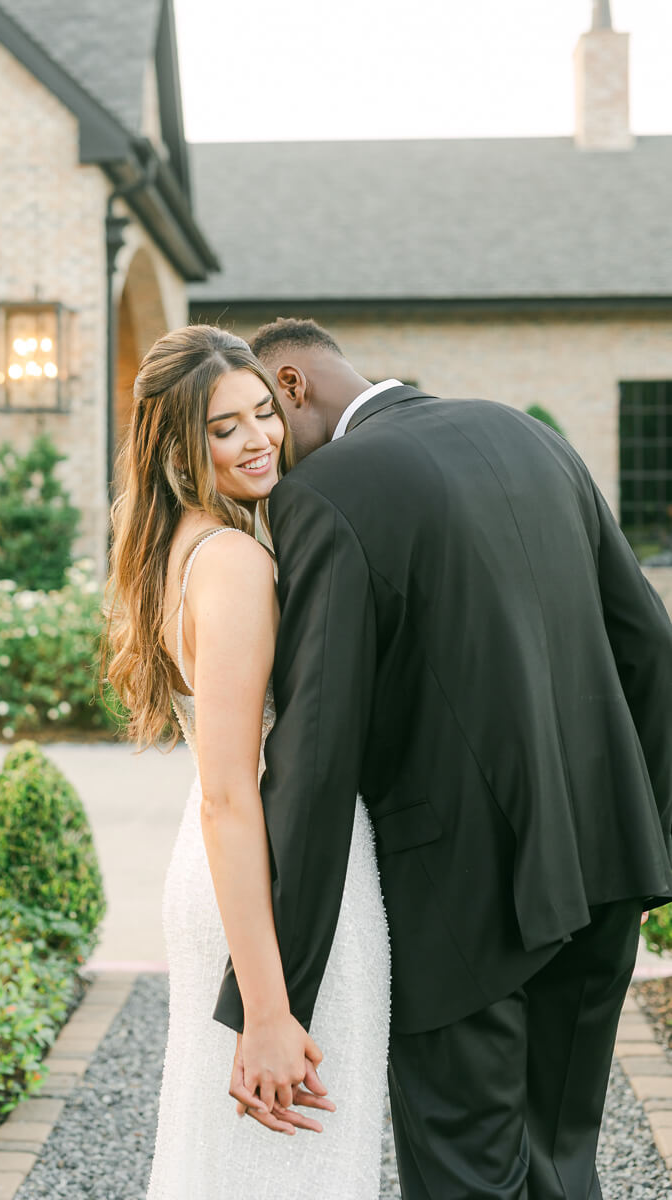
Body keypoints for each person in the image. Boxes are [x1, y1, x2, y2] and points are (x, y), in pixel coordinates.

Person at [214, 316, 672, 1200]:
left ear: (293, 385)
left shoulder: (330, 491)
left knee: (468, 1179)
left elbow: (315, 755)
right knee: (562, 1169)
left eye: (260, 414)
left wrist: (275, 1001)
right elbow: (651, 650)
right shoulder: (532, 436)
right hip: (606, 877)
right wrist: (646, 845)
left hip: (464, 908)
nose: (263, 445)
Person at [102, 324, 390, 1199]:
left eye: (264, 411)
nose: (260, 438)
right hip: (273, 893)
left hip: (241, 880)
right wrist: (265, 1005)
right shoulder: (230, 562)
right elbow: (230, 795)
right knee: (291, 1165)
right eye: (223, 428)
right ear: (178, 448)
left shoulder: (181, 550)